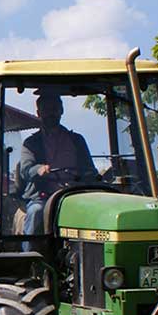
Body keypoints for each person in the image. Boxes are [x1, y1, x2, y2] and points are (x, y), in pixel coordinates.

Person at [15, 92, 96, 234]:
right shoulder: (31, 143)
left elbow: (90, 170)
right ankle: (29, 254)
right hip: (43, 196)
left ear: (61, 111)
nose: (51, 114)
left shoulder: (76, 140)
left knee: (96, 211)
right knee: (36, 212)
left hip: (74, 193)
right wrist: (39, 169)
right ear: (39, 113)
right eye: (46, 110)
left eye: (54, 109)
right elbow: (26, 170)